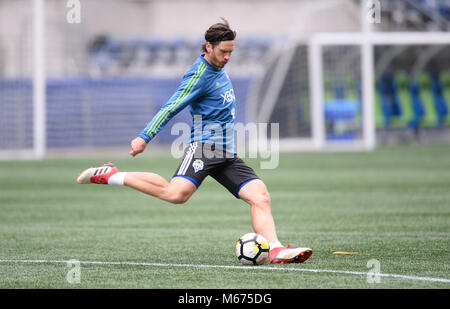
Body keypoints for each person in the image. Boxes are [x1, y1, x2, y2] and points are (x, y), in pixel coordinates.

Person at [77, 18, 312, 264]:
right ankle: (111, 175)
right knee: (176, 194)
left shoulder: (220, 68)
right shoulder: (199, 75)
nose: (228, 57)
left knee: (260, 196)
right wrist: (144, 137)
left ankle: (274, 249)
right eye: (223, 52)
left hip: (227, 153)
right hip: (204, 148)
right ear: (208, 47)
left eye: (231, 52)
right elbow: (170, 107)